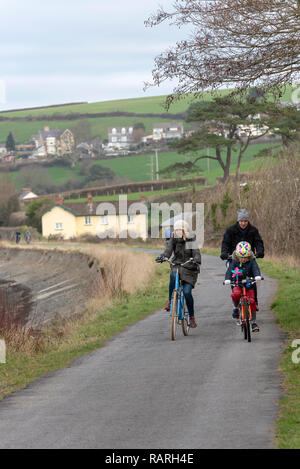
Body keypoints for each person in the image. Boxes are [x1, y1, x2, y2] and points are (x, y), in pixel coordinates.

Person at [156, 220, 201, 328]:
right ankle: (170, 301)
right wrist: (164, 257)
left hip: (189, 267)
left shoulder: (191, 239)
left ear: (184, 230)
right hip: (177, 265)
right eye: (175, 230)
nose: (177, 232)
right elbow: (168, 250)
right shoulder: (173, 239)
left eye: (179, 230)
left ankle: (191, 317)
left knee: (187, 292)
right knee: (173, 275)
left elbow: (196, 251)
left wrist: (196, 259)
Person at [220, 208, 264, 307]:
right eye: (241, 221)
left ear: (248, 221)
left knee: (253, 280)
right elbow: (225, 243)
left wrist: (260, 251)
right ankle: (236, 303)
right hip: (234, 258)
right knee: (234, 278)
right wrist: (224, 253)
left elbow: (258, 242)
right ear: (238, 221)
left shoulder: (253, 230)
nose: (243, 223)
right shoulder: (231, 230)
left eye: (245, 221)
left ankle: (254, 301)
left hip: (249, 258)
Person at [224, 241, 262, 332]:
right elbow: (229, 271)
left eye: (246, 257)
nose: (244, 259)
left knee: (252, 301)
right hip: (237, 283)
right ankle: (236, 308)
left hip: (249, 284)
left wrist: (257, 276)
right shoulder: (234, 262)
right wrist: (227, 279)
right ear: (237, 256)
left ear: (249, 256)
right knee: (236, 294)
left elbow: (255, 268)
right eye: (242, 257)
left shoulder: (252, 261)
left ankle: (253, 322)